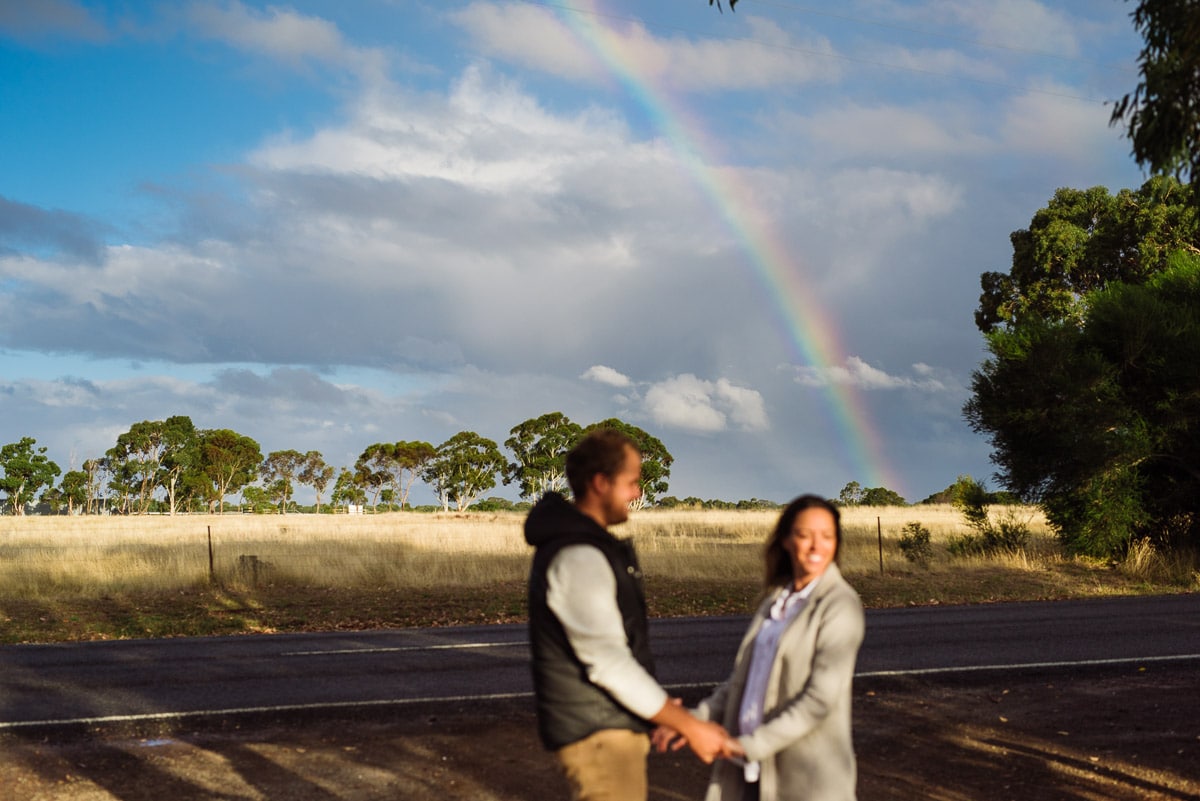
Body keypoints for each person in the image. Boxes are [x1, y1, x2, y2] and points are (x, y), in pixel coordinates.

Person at [525, 428, 730, 801]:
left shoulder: (584, 546)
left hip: (605, 727)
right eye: (632, 482)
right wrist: (687, 724)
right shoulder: (580, 557)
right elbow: (607, 662)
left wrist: (659, 708)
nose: (638, 492)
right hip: (600, 737)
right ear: (601, 483)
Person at [655, 494, 865, 801]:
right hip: (750, 771)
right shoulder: (776, 602)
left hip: (806, 780)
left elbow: (819, 700)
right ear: (785, 541)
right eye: (804, 535)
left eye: (827, 536)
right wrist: (691, 721)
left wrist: (749, 745)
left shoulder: (840, 604)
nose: (816, 546)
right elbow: (741, 682)